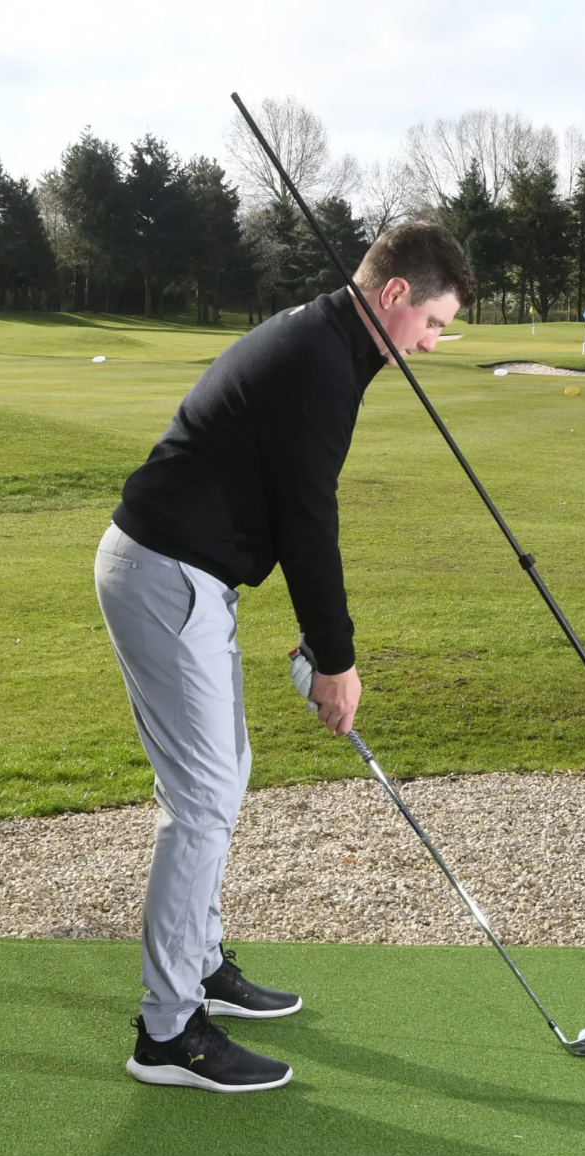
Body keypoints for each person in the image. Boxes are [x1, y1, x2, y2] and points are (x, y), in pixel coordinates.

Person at [94, 222, 475, 1093]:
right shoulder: (321, 363)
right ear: (394, 295)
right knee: (202, 803)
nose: (432, 343)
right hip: (166, 574)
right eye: (433, 323)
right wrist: (335, 659)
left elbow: (280, 494)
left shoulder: (327, 342)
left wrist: (321, 638)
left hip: (181, 573)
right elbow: (308, 520)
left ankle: (199, 968)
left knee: (221, 779)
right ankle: (167, 1032)